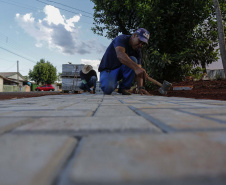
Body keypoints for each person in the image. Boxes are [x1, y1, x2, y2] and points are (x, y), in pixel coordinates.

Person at [98, 28, 150, 95]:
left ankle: (124, 88)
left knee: (133, 60)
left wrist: (140, 87)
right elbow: (120, 55)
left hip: (120, 70)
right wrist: (136, 68)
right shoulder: (121, 39)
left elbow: (139, 72)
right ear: (134, 35)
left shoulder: (138, 51)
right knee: (108, 89)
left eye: (143, 44)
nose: (140, 45)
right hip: (108, 70)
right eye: (140, 41)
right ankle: (111, 81)